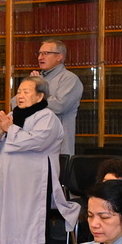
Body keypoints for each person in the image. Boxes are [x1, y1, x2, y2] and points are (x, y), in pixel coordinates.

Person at [0, 75, 73, 244]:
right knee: (8, 214)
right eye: (18, 92)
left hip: (34, 179)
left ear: (40, 96)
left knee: (33, 216)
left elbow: (36, 142)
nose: (20, 96)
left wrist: (10, 129)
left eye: (26, 92)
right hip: (9, 179)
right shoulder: (13, 115)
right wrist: (1, 131)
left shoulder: (47, 117)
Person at [31, 36, 83, 168]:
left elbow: (59, 106)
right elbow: (16, 104)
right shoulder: (35, 79)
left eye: (45, 53)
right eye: (39, 53)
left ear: (59, 56)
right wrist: (33, 86)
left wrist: (35, 94)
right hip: (33, 144)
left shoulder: (69, 79)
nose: (40, 57)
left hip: (58, 147)